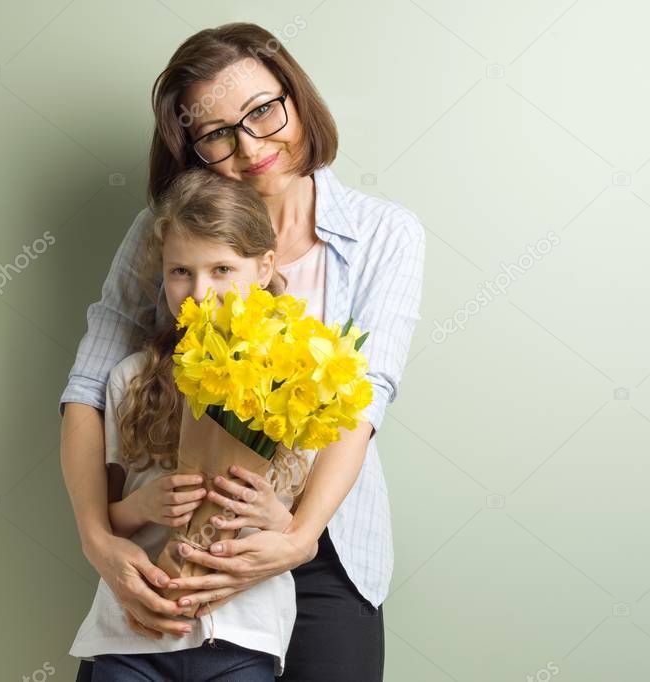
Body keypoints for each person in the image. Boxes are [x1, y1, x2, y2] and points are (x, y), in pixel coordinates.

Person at [62, 22, 425, 681]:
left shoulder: (383, 233)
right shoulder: (165, 231)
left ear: (295, 94)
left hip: (324, 545)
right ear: (191, 145)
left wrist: (295, 535)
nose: (251, 146)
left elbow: (365, 396)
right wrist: (100, 540)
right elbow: (89, 386)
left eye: (262, 111)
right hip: (172, 540)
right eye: (216, 133)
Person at [70, 169, 310, 679]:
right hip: (134, 632)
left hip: (243, 632)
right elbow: (108, 517)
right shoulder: (129, 378)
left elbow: (300, 532)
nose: (199, 292)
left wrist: (272, 512)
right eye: (181, 271)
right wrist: (141, 506)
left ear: (264, 267)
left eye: (222, 269)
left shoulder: (297, 385)